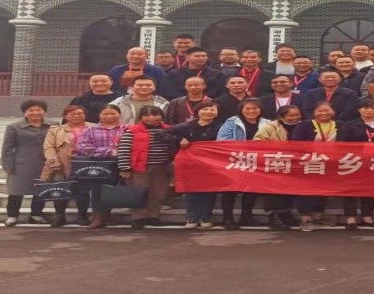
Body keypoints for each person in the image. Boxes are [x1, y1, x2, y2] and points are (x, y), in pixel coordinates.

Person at [115, 105, 176, 229]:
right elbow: (124, 150)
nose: (151, 118)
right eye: (147, 115)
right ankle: (138, 218)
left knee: (158, 193)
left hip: (161, 168)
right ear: (140, 117)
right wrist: (124, 167)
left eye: (155, 115)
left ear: (162, 116)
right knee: (138, 193)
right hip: (139, 168)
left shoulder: (169, 130)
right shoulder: (132, 131)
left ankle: (153, 216)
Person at [215, 98, 269, 229]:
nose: (251, 111)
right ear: (241, 110)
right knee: (230, 190)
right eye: (247, 108)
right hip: (235, 160)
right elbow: (222, 140)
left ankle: (246, 217)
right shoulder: (232, 122)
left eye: (255, 108)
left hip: (256, 161)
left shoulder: (267, 123)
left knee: (251, 190)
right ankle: (227, 218)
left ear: (260, 110)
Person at [171, 101, 223, 229]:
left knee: (209, 192)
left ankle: (205, 217)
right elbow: (163, 134)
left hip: (211, 164)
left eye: (212, 110)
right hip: (190, 164)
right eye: (205, 109)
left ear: (217, 113)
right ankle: (191, 218)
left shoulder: (221, 127)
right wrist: (179, 139)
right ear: (197, 111)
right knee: (191, 192)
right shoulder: (186, 126)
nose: (208, 112)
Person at [0, 100, 52, 227]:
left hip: (45, 164)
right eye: (31, 110)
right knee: (16, 190)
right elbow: (7, 148)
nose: (35, 113)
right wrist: (7, 164)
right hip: (21, 164)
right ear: (25, 113)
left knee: (41, 190)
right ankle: (12, 215)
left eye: (39, 110)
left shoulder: (53, 125)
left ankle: (36, 214)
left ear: (44, 111)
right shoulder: (14, 127)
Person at [335, 100, 374, 229]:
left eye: (372, 108)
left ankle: (367, 217)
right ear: (359, 110)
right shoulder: (349, 125)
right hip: (353, 161)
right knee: (350, 190)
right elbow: (340, 143)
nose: (369, 110)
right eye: (365, 108)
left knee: (370, 189)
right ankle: (350, 219)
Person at [289, 102, 339, 231]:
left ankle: (318, 216)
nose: (324, 113)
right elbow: (296, 142)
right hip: (308, 162)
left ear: (333, 111)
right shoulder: (304, 125)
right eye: (320, 111)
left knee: (324, 189)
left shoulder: (339, 124)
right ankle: (305, 219)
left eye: (327, 110)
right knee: (306, 190)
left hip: (330, 163)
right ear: (314, 112)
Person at [74, 105, 126, 229]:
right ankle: (97, 218)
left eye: (113, 113)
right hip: (98, 164)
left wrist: (120, 152)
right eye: (105, 114)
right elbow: (82, 146)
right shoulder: (90, 130)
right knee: (97, 191)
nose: (109, 116)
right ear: (99, 116)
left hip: (122, 164)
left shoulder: (127, 129)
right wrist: (109, 151)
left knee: (114, 190)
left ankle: (107, 215)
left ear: (119, 114)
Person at [254, 104, 303, 230]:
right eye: (291, 115)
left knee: (289, 190)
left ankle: (286, 214)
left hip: (294, 164)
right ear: (281, 117)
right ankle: (273, 216)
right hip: (274, 163)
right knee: (273, 191)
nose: (295, 118)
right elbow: (257, 142)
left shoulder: (303, 125)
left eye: (297, 115)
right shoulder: (270, 127)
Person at [40, 105, 89, 227]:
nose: (77, 116)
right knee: (60, 189)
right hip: (62, 164)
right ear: (65, 116)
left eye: (80, 113)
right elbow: (48, 147)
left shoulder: (93, 127)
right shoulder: (56, 130)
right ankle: (60, 216)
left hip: (85, 163)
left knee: (83, 191)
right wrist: (54, 162)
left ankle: (82, 216)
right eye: (73, 114)